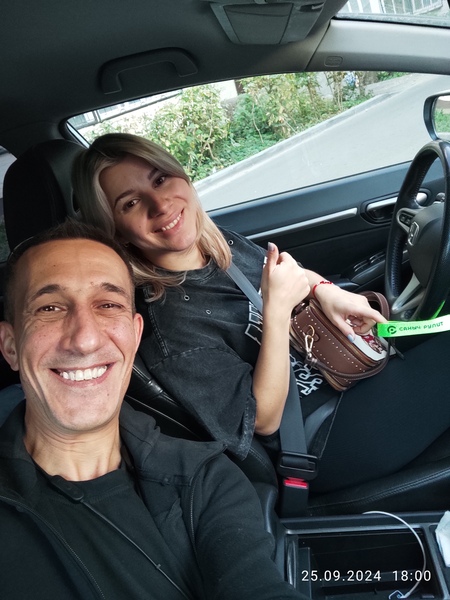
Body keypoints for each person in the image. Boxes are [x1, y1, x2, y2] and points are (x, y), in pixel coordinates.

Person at [73, 133, 450, 495]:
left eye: (160, 179)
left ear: (182, 176)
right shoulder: (171, 328)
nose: (159, 204)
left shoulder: (218, 244)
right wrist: (277, 312)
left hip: (343, 375)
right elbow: (264, 420)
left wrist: (326, 291)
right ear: (118, 232)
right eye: (130, 204)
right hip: (322, 435)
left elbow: (290, 274)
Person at [0, 219, 304, 600]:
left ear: (136, 333)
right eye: (50, 307)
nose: (85, 339)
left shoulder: (205, 481)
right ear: (10, 346)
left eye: (108, 305)